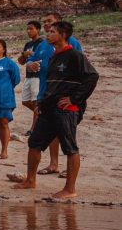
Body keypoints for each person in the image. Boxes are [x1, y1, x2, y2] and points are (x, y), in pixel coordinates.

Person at [12, 21, 98, 199]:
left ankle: (70, 189)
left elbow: (92, 76)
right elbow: (52, 84)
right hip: (48, 108)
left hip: (66, 109)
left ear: (63, 34)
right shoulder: (53, 56)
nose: (48, 34)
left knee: (70, 147)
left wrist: (75, 99)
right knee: (34, 143)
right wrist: (41, 105)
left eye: (52, 31)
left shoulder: (75, 55)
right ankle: (30, 180)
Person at [25, 12, 84, 177]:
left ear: (60, 28)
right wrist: (30, 65)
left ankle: (70, 181)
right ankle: (51, 165)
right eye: (45, 23)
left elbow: (88, 76)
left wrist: (75, 99)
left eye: (50, 23)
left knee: (68, 140)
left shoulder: (72, 47)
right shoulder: (44, 46)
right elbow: (31, 61)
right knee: (39, 139)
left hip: (65, 104)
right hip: (46, 98)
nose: (46, 27)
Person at [17, 20, 43, 134]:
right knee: (25, 101)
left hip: (38, 75)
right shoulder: (28, 44)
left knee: (35, 101)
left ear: (38, 29)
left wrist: (31, 54)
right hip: (29, 76)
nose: (28, 31)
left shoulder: (42, 43)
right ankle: (43, 116)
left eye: (31, 28)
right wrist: (24, 54)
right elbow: (21, 61)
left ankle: (34, 128)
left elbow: (43, 56)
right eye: (27, 29)